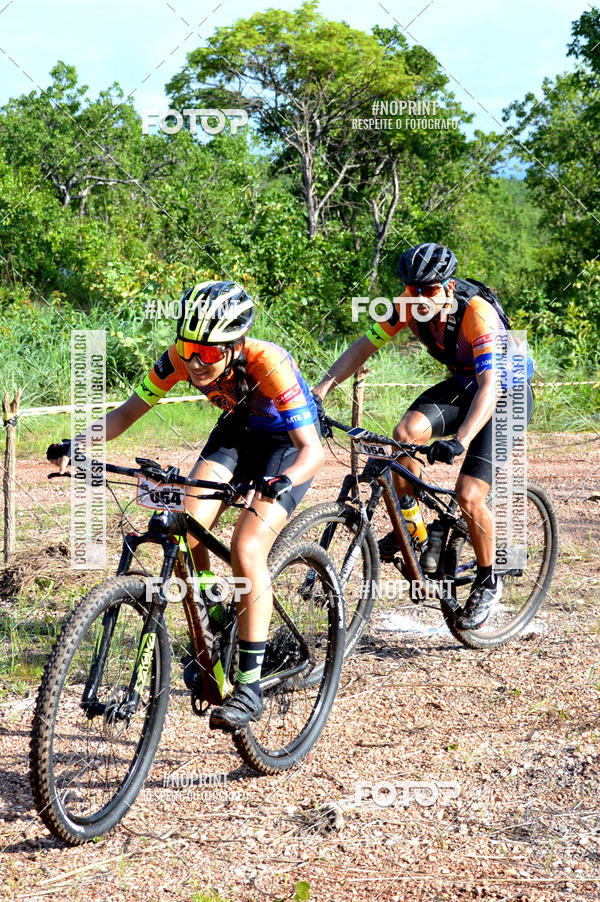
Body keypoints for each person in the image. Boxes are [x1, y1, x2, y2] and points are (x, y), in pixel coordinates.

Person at [47, 280, 324, 730]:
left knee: (246, 547)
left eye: (211, 354)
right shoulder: (181, 357)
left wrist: (280, 482)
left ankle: (250, 686)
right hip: (237, 432)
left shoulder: (269, 363)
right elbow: (124, 414)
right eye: (189, 347)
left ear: (236, 347)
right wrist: (76, 444)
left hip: (286, 446)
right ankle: (219, 608)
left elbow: (313, 450)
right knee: (186, 522)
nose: (196, 362)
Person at [313, 243, 534, 630]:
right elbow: (362, 348)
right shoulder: (406, 303)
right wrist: (321, 391)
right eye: (411, 289)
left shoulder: (477, 315)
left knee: (469, 493)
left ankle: (489, 579)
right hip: (466, 383)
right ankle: (413, 533)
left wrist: (460, 440)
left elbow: (490, 388)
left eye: (428, 290)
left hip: (506, 392)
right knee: (404, 436)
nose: (418, 299)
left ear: (448, 288)